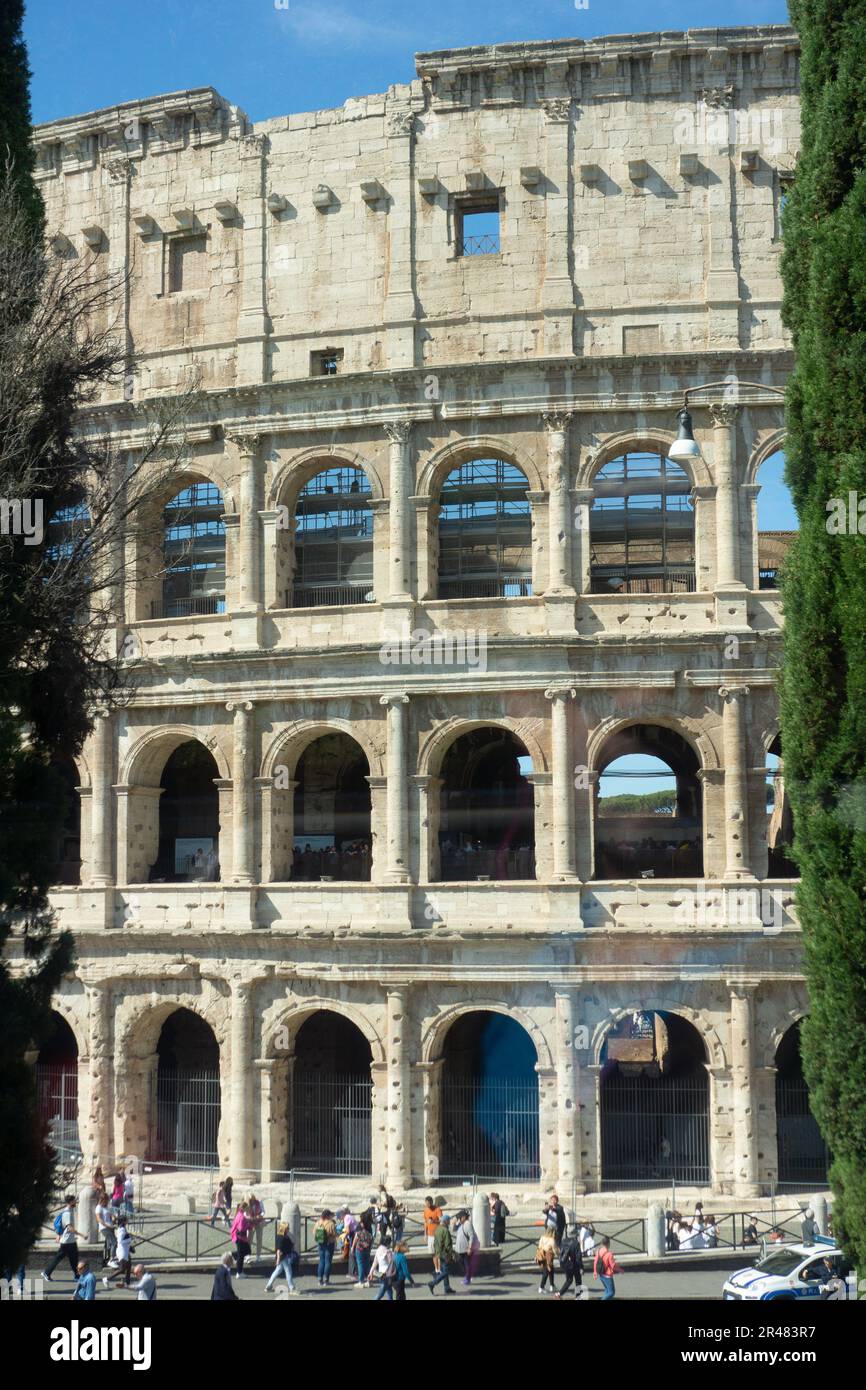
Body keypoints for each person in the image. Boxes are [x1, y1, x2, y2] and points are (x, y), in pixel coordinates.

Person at [43, 1195, 82, 1281]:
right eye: (74, 1200)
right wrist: (81, 1235)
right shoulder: (67, 1213)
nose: (76, 1202)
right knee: (61, 1258)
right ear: (71, 1201)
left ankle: (77, 1275)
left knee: (73, 1258)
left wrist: (59, 1235)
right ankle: (46, 1272)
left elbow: (62, 1225)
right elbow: (69, 1228)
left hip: (69, 1240)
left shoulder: (69, 1210)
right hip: (67, 1241)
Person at [266, 1223, 298, 1295]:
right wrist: (278, 1260)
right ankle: (292, 1288)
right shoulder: (282, 1237)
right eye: (287, 1228)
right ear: (284, 1229)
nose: (288, 1229)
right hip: (284, 1257)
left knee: (277, 1271)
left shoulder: (280, 1236)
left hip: (282, 1257)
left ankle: (269, 1286)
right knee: (288, 1272)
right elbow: (279, 1250)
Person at [102, 1217, 133, 1288]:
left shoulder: (122, 1228)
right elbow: (120, 1241)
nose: (128, 1221)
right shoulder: (121, 1229)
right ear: (124, 1221)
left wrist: (129, 1244)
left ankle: (127, 1283)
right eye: (127, 1220)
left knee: (129, 1266)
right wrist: (129, 1239)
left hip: (125, 1250)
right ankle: (106, 1279)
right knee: (122, 1269)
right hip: (122, 1251)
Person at [429, 1214, 456, 1296]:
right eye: (448, 1221)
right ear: (445, 1221)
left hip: (439, 1253)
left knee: (444, 1270)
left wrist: (437, 1252)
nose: (449, 1222)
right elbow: (448, 1245)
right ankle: (433, 1283)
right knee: (446, 1272)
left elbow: (435, 1242)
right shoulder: (445, 1230)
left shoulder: (437, 1229)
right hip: (445, 1254)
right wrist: (451, 1254)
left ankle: (447, 1287)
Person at [556, 1230, 585, 1299]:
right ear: (575, 1235)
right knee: (578, 1280)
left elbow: (561, 1251)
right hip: (574, 1264)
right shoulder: (576, 1243)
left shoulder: (563, 1241)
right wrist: (581, 1267)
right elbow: (578, 1257)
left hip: (565, 1264)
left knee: (569, 1280)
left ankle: (559, 1293)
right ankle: (578, 1297)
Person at [454, 1210, 479, 1286]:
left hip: (465, 1248)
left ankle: (467, 1279)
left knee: (466, 1264)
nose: (458, 1219)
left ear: (464, 1217)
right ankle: (467, 1276)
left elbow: (471, 1236)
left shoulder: (467, 1224)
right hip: (460, 1249)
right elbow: (453, 1230)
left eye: (459, 1217)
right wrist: (454, 1223)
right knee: (462, 1263)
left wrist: (469, 1248)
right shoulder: (462, 1224)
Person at [314, 1209, 337, 1287]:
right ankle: (326, 1280)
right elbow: (334, 1234)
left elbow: (314, 1232)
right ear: (328, 1215)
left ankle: (319, 1280)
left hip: (320, 1244)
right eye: (330, 1215)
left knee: (321, 1261)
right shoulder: (331, 1223)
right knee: (328, 1262)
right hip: (329, 1244)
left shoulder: (318, 1222)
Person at [95, 1191, 116, 1267]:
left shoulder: (106, 1207)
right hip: (104, 1228)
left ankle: (107, 1258)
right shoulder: (98, 1208)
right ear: (102, 1200)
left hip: (111, 1226)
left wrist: (113, 1217)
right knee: (114, 1242)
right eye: (106, 1200)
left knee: (109, 1243)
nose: (107, 1202)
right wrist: (107, 1225)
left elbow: (111, 1214)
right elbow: (99, 1219)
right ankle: (112, 1259)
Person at [372, 1234, 396, 1300]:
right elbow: (391, 1263)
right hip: (387, 1274)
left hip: (380, 1273)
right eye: (390, 1242)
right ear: (388, 1243)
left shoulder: (378, 1250)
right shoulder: (388, 1252)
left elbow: (375, 1263)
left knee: (389, 1291)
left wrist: (370, 1273)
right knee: (381, 1293)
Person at [536, 1228, 558, 1295]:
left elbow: (539, 1246)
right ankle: (541, 1287)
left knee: (551, 1270)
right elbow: (555, 1250)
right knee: (546, 1272)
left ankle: (552, 1285)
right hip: (549, 1257)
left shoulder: (542, 1237)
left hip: (542, 1256)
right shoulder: (552, 1240)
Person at [352, 1219, 373, 1287]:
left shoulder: (359, 1232)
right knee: (367, 1265)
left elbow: (355, 1240)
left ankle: (361, 1281)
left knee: (360, 1265)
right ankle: (368, 1281)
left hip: (359, 1250)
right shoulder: (369, 1233)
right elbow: (371, 1243)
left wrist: (352, 1248)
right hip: (367, 1250)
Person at [247, 1192, 265, 1262]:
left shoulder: (259, 1202)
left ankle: (258, 1256)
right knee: (249, 1240)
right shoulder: (248, 1203)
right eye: (251, 1200)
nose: (252, 1201)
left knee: (259, 1239)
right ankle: (248, 1255)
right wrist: (249, 1217)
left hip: (259, 1222)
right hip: (251, 1223)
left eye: (253, 1199)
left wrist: (260, 1215)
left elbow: (263, 1211)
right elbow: (245, 1213)